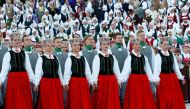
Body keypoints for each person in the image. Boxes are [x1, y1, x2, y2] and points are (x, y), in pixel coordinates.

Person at [0, 34, 34, 109]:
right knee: (14, 99)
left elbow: (28, 68)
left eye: (18, 40)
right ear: (11, 42)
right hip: (13, 78)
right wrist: (0, 81)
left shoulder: (24, 53)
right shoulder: (8, 54)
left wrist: (33, 81)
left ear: (21, 42)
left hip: (24, 78)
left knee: (25, 98)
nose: (17, 41)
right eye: (15, 40)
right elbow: (4, 70)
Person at [122, 38, 156, 109]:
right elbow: (126, 70)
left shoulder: (144, 57)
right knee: (136, 97)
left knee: (144, 97)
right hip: (134, 80)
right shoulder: (130, 57)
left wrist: (153, 79)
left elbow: (148, 70)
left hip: (143, 80)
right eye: (136, 44)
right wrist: (121, 80)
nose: (138, 46)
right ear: (132, 46)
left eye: (139, 44)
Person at [154, 38, 186, 109]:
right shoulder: (158, 56)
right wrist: (156, 79)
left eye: (167, 44)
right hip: (163, 78)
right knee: (166, 97)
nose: (166, 46)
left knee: (174, 96)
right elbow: (157, 69)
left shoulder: (171, 54)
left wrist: (180, 77)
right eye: (164, 44)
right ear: (160, 45)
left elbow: (176, 67)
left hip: (172, 78)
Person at [91, 37, 121, 109]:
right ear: (100, 46)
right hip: (102, 80)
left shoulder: (112, 57)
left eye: (107, 44)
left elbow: (116, 69)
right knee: (102, 98)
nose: (105, 46)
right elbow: (95, 70)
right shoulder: (97, 57)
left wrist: (119, 80)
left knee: (111, 99)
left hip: (112, 81)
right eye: (103, 44)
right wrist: (94, 81)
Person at [34, 39, 64, 109]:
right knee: (47, 100)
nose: (50, 47)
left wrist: (62, 82)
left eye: (52, 46)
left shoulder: (56, 58)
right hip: (46, 82)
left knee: (56, 100)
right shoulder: (41, 58)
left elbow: (59, 71)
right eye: (48, 46)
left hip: (56, 82)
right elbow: (38, 72)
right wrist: (36, 83)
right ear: (44, 48)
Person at [63, 38, 93, 109]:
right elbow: (67, 72)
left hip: (83, 81)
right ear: (72, 47)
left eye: (78, 45)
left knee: (84, 98)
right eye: (75, 45)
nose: (77, 47)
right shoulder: (70, 58)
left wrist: (90, 81)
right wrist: (66, 82)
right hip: (74, 81)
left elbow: (87, 71)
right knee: (75, 99)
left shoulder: (83, 58)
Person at [110, 33, 128, 106]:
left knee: (124, 94)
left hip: (124, 76)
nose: (120, 39)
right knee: (116, 94)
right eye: (118, 38)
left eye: (121, 38)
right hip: (115, 75)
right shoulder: (111, 50)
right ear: (115, 39)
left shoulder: (126, 50)